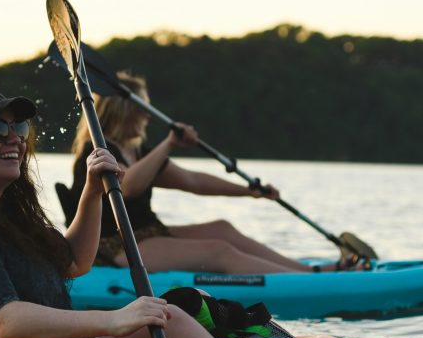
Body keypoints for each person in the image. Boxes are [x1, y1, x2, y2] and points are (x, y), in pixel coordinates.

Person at [0, 84, 222, 338]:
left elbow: (74, 262)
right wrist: (113, 321)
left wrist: (92, 193)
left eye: (20, 129)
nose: (14, 139)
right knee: (173, 322)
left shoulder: (7, 218)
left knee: (196, 302)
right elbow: (8, 322)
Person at [70, 72, 359, 274]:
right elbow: (127, 186)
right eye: (142, 108)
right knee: (218, 250)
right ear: (123, 111)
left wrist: (249, 192)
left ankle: (313, 272)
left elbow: (192, 180)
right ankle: (309, 281)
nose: (147, 115)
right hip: (115, 247)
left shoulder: (139, 150)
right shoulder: (95, 152)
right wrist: (170, 143)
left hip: (148, 233)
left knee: (222, 228)